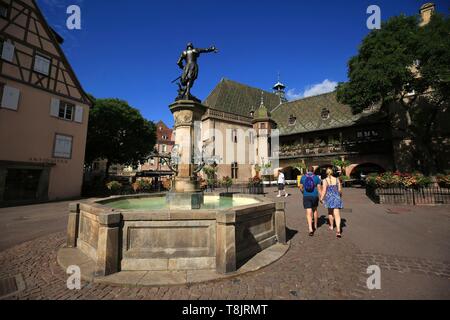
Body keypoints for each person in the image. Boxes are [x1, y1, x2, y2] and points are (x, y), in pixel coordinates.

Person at [320, 168, 343, 238]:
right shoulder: (337, 179)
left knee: (330, 212)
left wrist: (321, 198)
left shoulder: (324, 180)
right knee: (337, 214)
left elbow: (324, 190)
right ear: (332, 172)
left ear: (326, 173)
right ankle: (338, 230)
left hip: (329, 198)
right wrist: (339, 196)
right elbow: (339, 190)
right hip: (336, 197)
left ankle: (332, 226)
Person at [299, 167, 322, 236]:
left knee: (308, 212)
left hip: (306, 196)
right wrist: (321, 197)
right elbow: (319, 188)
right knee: (315, 210)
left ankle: (310, 228)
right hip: (314, 196)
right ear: (313, 171)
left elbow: (300, 187)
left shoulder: (303, 177)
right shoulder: (317, 178)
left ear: (307, 170)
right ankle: (315, 225)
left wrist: (303, 193)